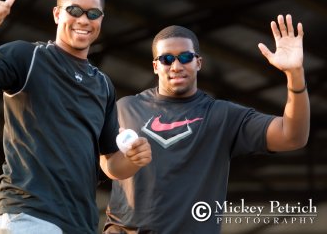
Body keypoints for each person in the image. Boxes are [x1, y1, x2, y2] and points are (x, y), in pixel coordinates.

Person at [0, 0, 151, 234]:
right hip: (28, 215)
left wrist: (133, 160)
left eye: (93, 13)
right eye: (74, 10)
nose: (84, 20)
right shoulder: (27, 57)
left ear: (101, 19)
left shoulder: (103, 85)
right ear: (56, 14)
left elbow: (110, 164)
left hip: (81, 225)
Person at [104, 14, 310, 233]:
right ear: (155, 66)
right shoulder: (124, 108)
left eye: (185, 57)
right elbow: (101, 165)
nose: (176, 66)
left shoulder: (221, 115)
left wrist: (295, 74)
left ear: (198, 62)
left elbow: (292, 136)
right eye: (166, 59)